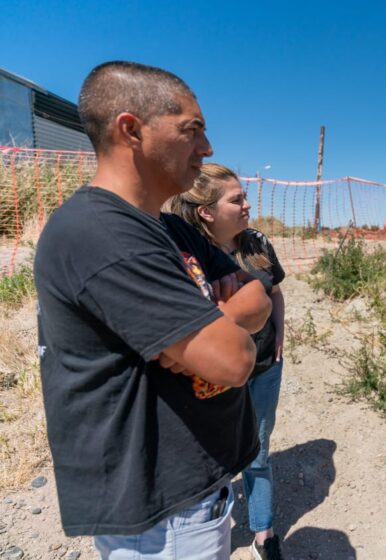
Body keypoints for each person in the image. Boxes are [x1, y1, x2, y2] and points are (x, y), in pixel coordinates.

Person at [34, 61, 271, 559]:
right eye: (192, 131)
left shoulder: (169, 228)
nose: (207, 149)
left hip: (193, 491)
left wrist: (209, 326)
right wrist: (216, 329)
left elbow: (257, 297)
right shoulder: (100, 232)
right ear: (131, 130)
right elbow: (233, 362)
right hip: (159, 516)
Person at [167, 163, 286, 560]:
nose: (248, 205)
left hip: (266, 365)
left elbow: (275, 293)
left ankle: (264, 534)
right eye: (237, 199)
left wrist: (279, 335)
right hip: (212, 375)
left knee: (259, 451)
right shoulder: (189, 250)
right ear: (206, 211)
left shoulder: (257, 243)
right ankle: (208, 526)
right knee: (213, 453)